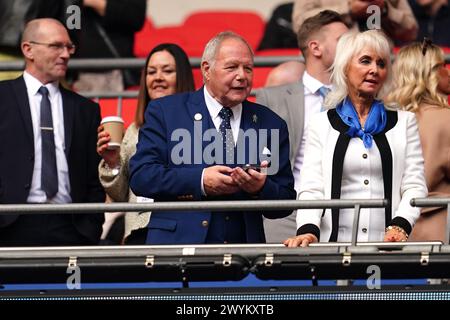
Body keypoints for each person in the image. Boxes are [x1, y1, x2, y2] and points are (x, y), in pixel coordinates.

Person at [129, 31, 296, 245]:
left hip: (242, 258)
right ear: (207, 70)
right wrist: (200, 180)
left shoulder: (270, 123)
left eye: (248, 68)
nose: (242, 76)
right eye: (231, 67)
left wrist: (260, 188)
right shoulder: (165, 112)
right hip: (176, 249)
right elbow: (142, 177)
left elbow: (285, 202)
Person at [284, 30, 428, 247]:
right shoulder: (320, 124)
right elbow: (312, 188)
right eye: (365, 61)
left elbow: (414, 185)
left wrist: (401, 225)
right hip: (333, 247)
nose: (374, 69)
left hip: (388, 246)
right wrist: (308, 230)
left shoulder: (405, 121)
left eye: (381, 63)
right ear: (345, 67)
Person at [0, 18, 105, 246]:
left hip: (70, 227)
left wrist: (90, 227)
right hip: (9, 224)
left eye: (69, 47)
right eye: (56, 46)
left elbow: (93, 178)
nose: (66, 54)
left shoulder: (86, 109)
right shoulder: (2, 98)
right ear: (28, 49)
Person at [256, 10, 349, 243]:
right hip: (288, 212)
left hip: (346, 210)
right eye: (343, 41)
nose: (352, 47)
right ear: (316, 48)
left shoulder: (360, 99)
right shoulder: (272, 99)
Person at [97, 43, 195, 244]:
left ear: (182, 77)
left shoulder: (199, 126)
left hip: (184, 231)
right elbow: (120, 194)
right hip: (138, 232)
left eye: (167, 71)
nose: (158, 77)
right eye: (151, 72)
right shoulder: (134, 130)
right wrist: (113, 162)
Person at [385, 41, 450, 241]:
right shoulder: (446, 119)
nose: (447, 71)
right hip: (440, 231)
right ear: (428, 74)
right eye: (442, 66)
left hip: (391, 231)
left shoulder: (385, 120)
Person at [72, 0, 146, 91]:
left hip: (114, 74)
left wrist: (95, 2)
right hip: (73, 72)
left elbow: (135, 17)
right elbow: (66, 22)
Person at [292, 0, 418, 43]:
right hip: (332, 66)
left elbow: (411, 32)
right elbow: (299, 24)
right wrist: (348, 11)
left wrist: (385, 10)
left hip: (381, 64)